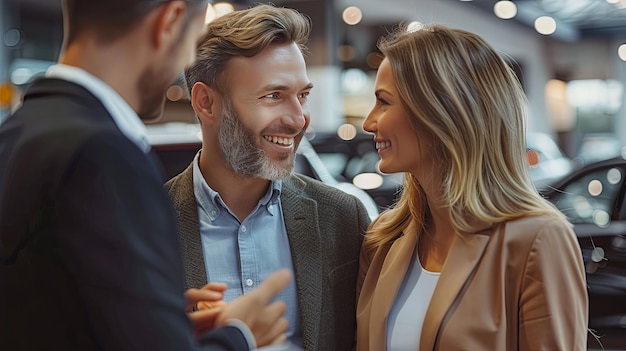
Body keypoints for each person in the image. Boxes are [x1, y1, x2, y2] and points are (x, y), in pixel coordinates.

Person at [0, 0, 292, 350]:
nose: (186, 63)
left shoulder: (20, 131)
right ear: (169, 20)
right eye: (192, 39)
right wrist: (241, 335)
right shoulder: (103, 155)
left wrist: (157, 324)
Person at [355, 24, 588, 350]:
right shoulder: (383, 239)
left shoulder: (537, 240)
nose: (368, 122)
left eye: (383, 102)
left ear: (440, 110)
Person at [165, 4, 371, 350]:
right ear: (206, 102)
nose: (298, 119)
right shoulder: (146, 225)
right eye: (273, 95)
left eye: (302, 95)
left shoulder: (342, 217)